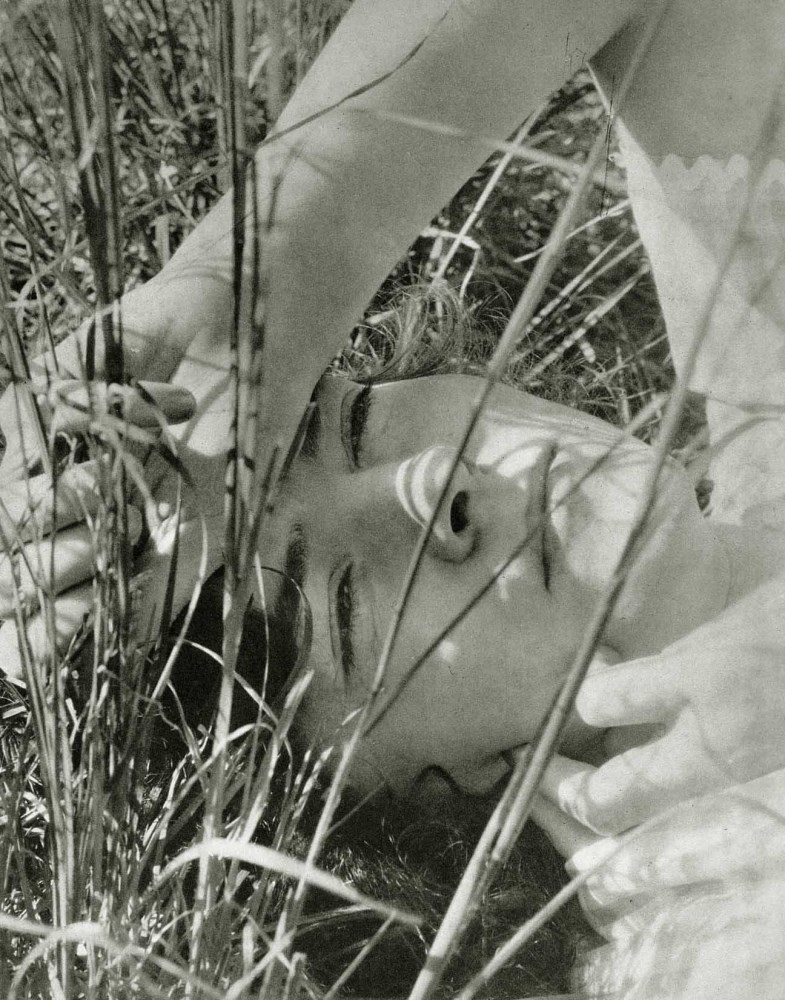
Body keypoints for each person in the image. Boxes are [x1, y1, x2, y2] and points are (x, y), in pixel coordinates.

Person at [1, 0, 785, 996]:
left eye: (358, 425)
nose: (426, 486)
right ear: (429, 809)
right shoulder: (711, 930)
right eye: (345, 606)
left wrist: (257, 298)